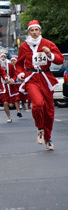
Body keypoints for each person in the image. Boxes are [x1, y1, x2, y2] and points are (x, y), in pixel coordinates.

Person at [16, 20, 64, 150]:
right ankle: (40, 128)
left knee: (49, 111)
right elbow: (19, 64)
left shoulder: (47, 44)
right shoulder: (23, 47)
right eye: (32, 30)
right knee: (37, 104)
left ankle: (48, 138)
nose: (34, 32)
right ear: (29, 32)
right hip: (31, 79)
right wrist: (20, 74)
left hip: (45, 79)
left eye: (36, 30)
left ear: (40, 31)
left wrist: (49, 55)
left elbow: (60, 60)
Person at [0, 53, 22, 122]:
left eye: (4, 57)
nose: (3, 58)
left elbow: (14, 75)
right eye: (1, 57)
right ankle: (9, 117)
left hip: (11, 86)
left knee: (15, 100)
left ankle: (18, 111)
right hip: (3, 87)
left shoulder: (10, 65)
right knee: (5, 103)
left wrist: (12, 80)